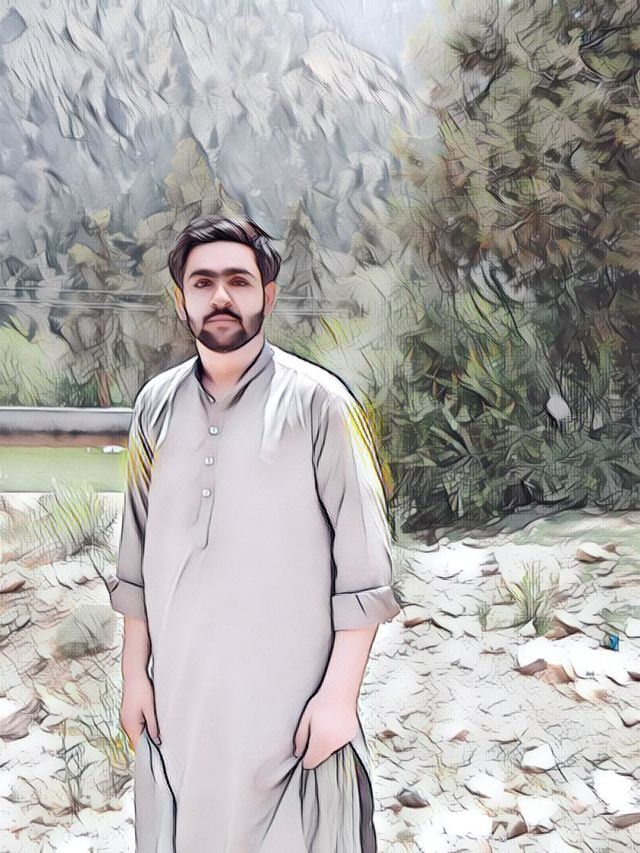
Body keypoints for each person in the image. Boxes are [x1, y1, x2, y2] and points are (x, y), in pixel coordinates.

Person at [107, 213, 402, 852]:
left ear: (267, 295)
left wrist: (339, 699)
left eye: (238, 281)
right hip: (181, 705)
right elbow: (134, 558)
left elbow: (365, 570)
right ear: (181, 299)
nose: (221, 297)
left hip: (289, 713)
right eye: (203, 282)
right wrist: (135, 677)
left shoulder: (321, 403)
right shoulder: (154, 407)